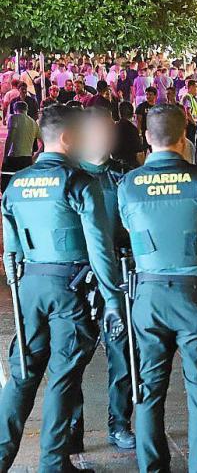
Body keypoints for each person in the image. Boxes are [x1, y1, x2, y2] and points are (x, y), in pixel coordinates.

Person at [0, 104, 124, 471]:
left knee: (22, 375)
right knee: (63, 378)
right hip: (70, 288)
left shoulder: (16, 183)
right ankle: (53, 464)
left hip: (29, 287)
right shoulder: (77, 182)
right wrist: (113, 299)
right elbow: (99, 248)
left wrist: (19, 288)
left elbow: (11, 251)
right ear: (69, 138)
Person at [117, 104, 197, 471]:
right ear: (184, 138)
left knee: (149, 391)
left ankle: (152, 467)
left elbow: (132, 232)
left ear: (147, 137)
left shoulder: (128, 184)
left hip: (148, 295)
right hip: (195, 295)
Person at [72, 108, 135, 451]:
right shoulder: (70, 176)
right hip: (78, 279)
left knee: (122, 352)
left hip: (116, 276)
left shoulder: (123, 177)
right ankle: (72, 427)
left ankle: (119, 422)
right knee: (73, 357)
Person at [2, 101, 40, 191]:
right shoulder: (33, 122)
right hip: (27, 159)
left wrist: (5, 156)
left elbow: (10, 138)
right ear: (27, 110)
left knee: (7, 185)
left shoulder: (14, 117)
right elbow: (44, 143)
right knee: (25, 186)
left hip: (14, 157)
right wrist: (34, 157)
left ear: (15, 109)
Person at [113, 101, 144, 168]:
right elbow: (139, 153)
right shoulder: (132, 129)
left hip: (116, 165)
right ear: (132, 114)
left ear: (119, 113)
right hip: (131, 166)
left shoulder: (113, 128)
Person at [182, 79, 197, 143]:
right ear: (191, 87)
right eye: (196, 87)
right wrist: (194, 123)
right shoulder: (187, 97)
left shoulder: (195, 98)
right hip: (191, 124)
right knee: (191, 143)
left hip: (196, 124)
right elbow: (187, 112)